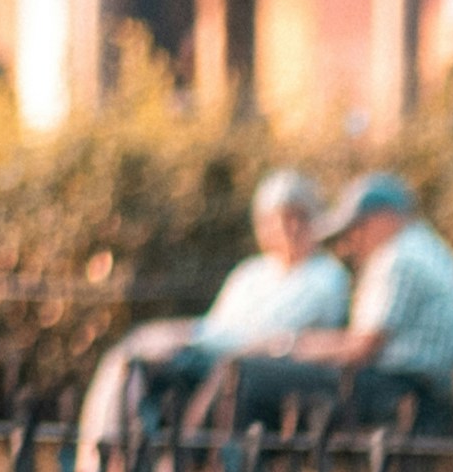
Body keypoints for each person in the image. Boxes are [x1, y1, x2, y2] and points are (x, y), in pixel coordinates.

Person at [86, 170, 353, 447]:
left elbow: (280, 334)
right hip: (210, 351)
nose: (288, 229)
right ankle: (105, 457)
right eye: (277, 220)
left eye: (297, 217)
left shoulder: (327, 276)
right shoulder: (250, 273)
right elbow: (215, 325)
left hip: (260, 363)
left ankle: (179, 458)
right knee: (130, 358)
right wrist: (178, 335)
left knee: (216, 371)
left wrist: (196, 339)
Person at [195, 172, 453, 438]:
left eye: (356, 228)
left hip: (401, 389)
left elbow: (363, 346)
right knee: (255, 373)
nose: (351, 242)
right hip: (420, 387)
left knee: (245, 372)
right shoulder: (426, 248)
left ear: (383, 218)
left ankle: (200, 469)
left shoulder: (398, 259)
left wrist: (290, 346)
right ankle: (224, 466)